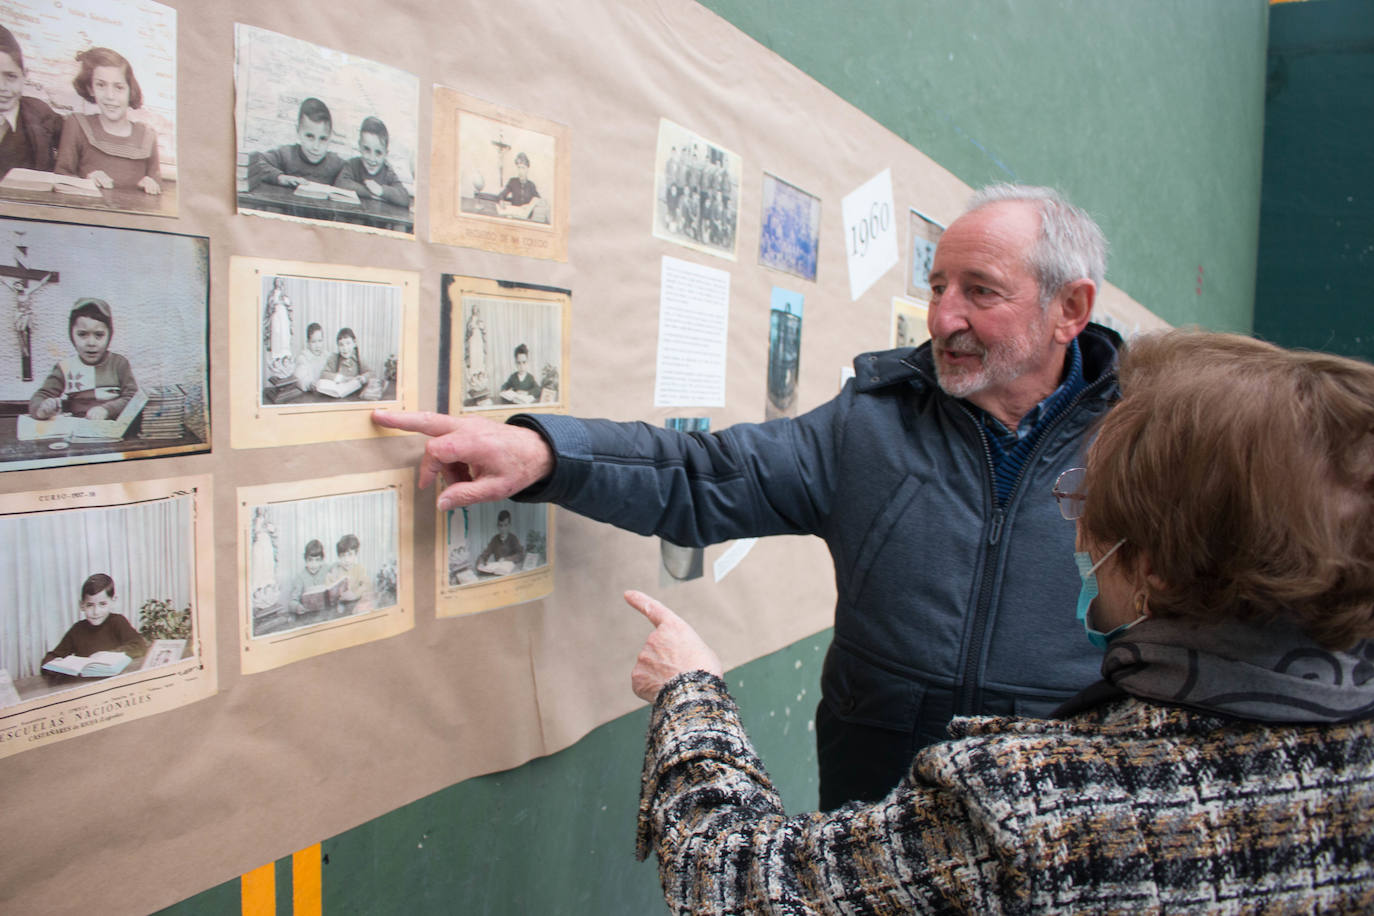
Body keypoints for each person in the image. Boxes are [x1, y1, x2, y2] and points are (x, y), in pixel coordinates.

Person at [373, 183, 1116, 809]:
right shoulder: (872, 426)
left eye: (979, 292)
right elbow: (703, 475)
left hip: (1055, 826)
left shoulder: (1147, 448)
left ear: (1069, 310)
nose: (944, 317)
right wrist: (545, 452)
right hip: (874, 826)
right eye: (937, 288)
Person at [628, 329, 1374, 912]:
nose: (1079, 536)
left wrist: (690, 695)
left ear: (1159, 570)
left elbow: (733, 881)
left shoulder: (1037, 803)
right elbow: (709, 471)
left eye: (1088, 503)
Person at [55, 47, 160, 194]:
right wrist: (85, 181)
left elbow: (157, 187)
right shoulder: (76, 125)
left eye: (119, 87)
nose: (110, 96)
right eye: (101, 85)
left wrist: (152, 185)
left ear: (131, 91)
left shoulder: (147, 136)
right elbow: (60, 177)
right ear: (91, 88)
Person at [29, 297, 137, 421]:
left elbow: (133, 397)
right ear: (72, 336)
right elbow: (41, 396)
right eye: (82, 334)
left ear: (109, 335)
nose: (91, 343)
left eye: (99, 335)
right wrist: (43, 409)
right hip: (78, 428)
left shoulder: (119, 364)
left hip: (113, 428)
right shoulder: (65, 367)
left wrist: (107, 409)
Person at [42, 573, 148, 668]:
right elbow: (52, 656)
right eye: (90, 605)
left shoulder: (117, 622)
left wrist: (109, 655)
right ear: (81, 605)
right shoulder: (77, 629)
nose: (96, 612)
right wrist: (53, 664)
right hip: (87, 684)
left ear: (113, 601)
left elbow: (140, 646)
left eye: (102, 604)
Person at [0, 26, 62, 178]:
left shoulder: (42, 115)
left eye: (11, 76)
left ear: (24, 75)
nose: (2, 87)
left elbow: (79, 144)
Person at [246, 97, 344, 191]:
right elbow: (256, 162)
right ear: (298, 131)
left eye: (323, 138)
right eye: (309, 136)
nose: (316, 147)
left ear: (330, 136)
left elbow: (352, 177)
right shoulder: (286, 154)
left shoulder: (336, 163)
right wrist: (280, 177)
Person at [334, 116, 411, 208]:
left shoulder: (387, 172)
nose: (372, 158)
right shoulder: (353, 165)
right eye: (367, 149)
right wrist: (371, 192)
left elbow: (405, 198)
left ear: (386, 154)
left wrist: (381, 191)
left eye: (378, 153)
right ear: (360, 147)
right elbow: (340, 183)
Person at [286, 539, 334, 616]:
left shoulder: (328, 569)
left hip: (328, 612)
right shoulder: (300, 577)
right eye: (310, 560)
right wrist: (297, 607)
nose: (314, 564)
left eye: (317, 560)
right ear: (305, 559)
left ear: (322, 560)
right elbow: (291, 602)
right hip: (309, 615)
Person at [495, 151, 547, 221]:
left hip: (527, 219)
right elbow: (501, 195)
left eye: (523, 168)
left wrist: (528, 206)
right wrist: (501, 200)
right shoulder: (512, 182)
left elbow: (538, 200)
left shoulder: (531, 185)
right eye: (519, 168)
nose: (520, 171)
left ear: (527, 169)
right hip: (514, 217)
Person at [332, 534, 373, 615]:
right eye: (343, 556)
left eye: (350, 555)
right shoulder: (335, 570)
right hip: (340, 605)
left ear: (356, 554)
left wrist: (355, 594)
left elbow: (367, 585)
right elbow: (330, 587)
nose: (346, 560)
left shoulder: (359, 569)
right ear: (339, 557)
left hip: (356, 602)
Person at [292, 322, 328, 391]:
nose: (317, 346)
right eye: (313, 342)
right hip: (310, 394)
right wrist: (310, 384)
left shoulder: (326, 355)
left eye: (320, 341)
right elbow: (299, 379)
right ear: (308, 342)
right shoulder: (303, 358)